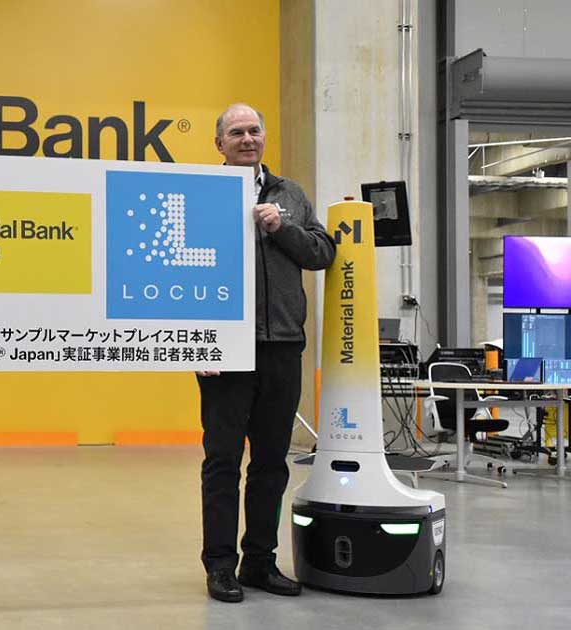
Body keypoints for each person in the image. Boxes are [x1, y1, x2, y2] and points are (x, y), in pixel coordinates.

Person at [197, 103, 335, 603]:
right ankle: (219, 566)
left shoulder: (289, 194)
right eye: (236, 132)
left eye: (254, 130)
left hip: (282, 345)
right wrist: (198, 342)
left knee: (272, 462)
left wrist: (282, 227)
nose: (247, 139)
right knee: (222, 462)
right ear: (220, 144)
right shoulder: (200, 194)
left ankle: (259, 562)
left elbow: (322, 252)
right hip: (225, 351)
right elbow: (179, 274)